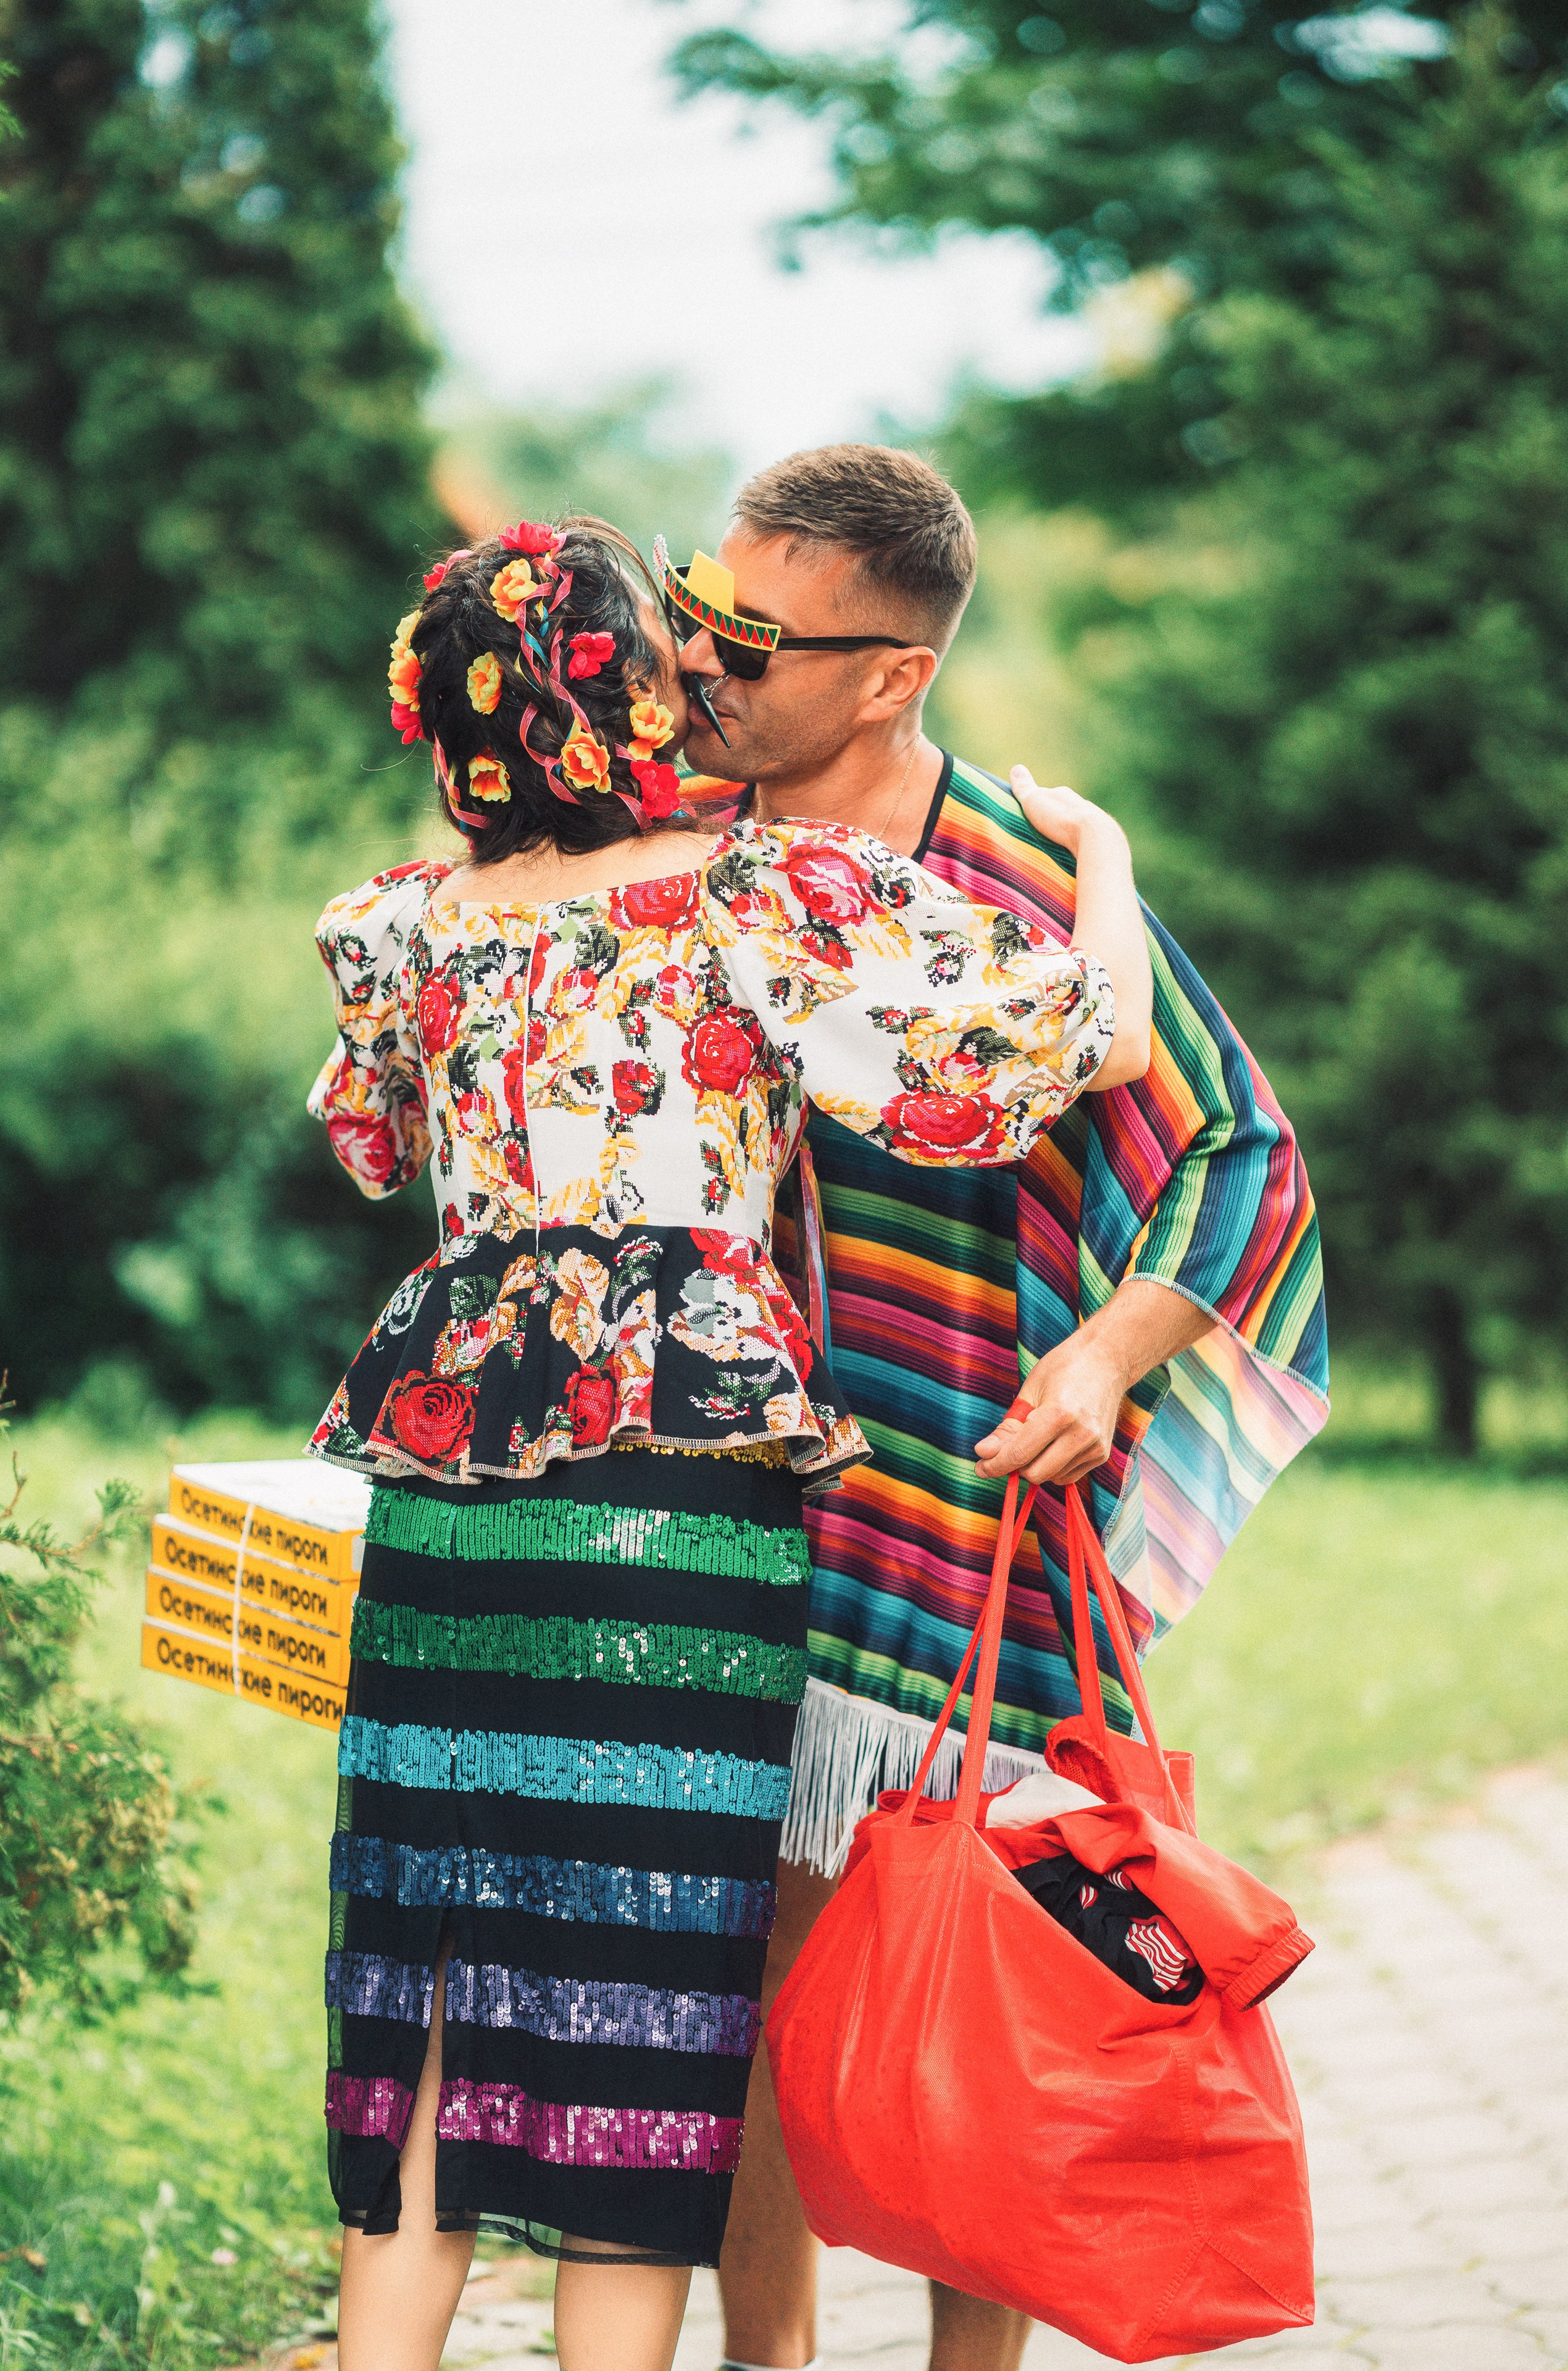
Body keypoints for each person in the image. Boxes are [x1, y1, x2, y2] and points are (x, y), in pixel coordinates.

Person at [304, 514, 1153, 2371]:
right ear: (625, 706)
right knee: (640, 1986)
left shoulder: (394, 929)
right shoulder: (756, 893)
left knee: (433, 1969)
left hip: (448, 1513)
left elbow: (372, 1149)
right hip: (675, 1513)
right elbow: (1068, 1042)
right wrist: (1101, 861)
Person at [661, 445, 1329, 2371]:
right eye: (699, 616)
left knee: (1000, 1972)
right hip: (737, 1499)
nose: (705, 669)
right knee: (752, 1979)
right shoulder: (679, 853)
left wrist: (1108, 1354)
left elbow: (1236, 1153)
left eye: (753, 642)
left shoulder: (1028, 871)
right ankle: (767, 2361)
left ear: (889, 672)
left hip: (976, 1504)